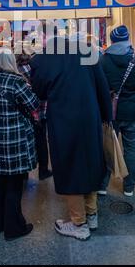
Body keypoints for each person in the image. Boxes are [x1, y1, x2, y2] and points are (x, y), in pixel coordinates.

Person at [30, 31, 112, 240]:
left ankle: (79, 224)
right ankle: (91, 214)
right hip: (90, 118)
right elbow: (103, 87)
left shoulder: (42, 59)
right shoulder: (87, 51)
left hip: (63, 121)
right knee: (92, 162)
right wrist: (106, 118)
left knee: (70, 167)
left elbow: (39, 91)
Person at [0, 48, 39, 240]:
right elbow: (33, 104)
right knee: (14, 183)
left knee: (1, 181)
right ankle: (13, 228)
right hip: (14, 138)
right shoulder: (17, 81)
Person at [99, 25, 135, 197]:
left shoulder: (102, 61)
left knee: (107, 147)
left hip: (109, 113)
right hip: (132, 113)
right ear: (128, 39)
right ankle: (129, 187)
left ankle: (102, 185)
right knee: (130, 149)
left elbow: (97, 87)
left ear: (112, 40)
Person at [15, 47, 52, 181]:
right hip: (40, 110)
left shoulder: (15, 71)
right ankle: (43, 170)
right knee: (41, 140)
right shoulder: (35, 68)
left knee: (25, 141)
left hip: (24, 113)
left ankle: (24, 173)